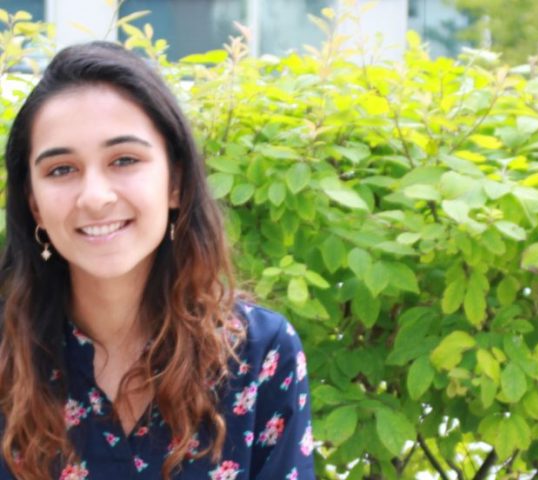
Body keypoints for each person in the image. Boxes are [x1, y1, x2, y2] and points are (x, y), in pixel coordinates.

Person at [0, 41, 315, 480]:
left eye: (124, 160)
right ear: (34, 205)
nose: (95, 197)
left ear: (176, 182)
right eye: (61, 169)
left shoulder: (259, 353)